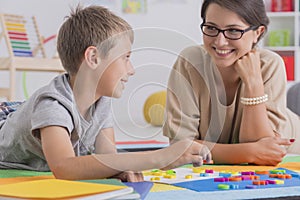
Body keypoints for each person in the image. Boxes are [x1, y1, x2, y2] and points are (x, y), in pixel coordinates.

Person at [0, 5, 211, 181]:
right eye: (125, 57)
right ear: (93, 58)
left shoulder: (101, 102)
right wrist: (159, 157)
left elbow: (107, 157)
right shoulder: (52, 106)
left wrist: (120, 170)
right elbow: (64, 168)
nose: (131, 69)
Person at [163, 0, 300, 166]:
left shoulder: (270, 64)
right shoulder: (190, 62)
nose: (220, 42)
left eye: (234, 30)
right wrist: (249, 152)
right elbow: (179, 149)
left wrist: (253, 83)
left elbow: (265, 154)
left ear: (258, 32)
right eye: (211, 28)